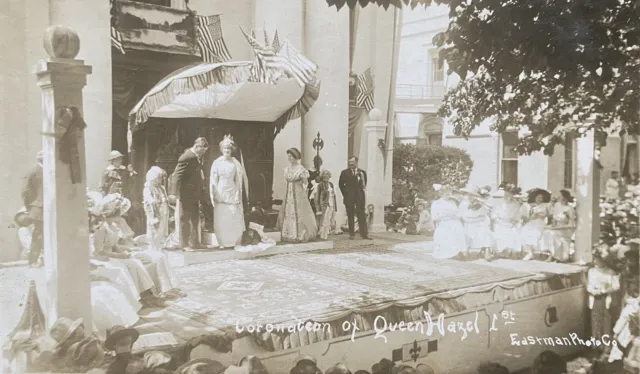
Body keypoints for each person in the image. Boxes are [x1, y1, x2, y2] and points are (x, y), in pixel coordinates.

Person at [170, 137, 209, 249]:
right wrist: (173, 193)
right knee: (185, 219)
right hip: (186, 194)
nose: (203, 153)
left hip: (194, 194)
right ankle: (184, 244)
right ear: (197, 147)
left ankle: (195, 243)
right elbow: (177, 175)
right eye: (202, 150)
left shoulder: (196, 157)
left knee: (195, 218)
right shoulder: (186, 157)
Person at [210, 135, 247, 248]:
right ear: (221, 150)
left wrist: (237, 194)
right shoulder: (217, 162)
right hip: (220, 191)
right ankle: (222, 242)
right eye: (225, 148)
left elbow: (238, 180)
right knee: (221, 217)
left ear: (232, 150)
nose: (227, 151)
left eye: (229, 149)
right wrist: (214, 193)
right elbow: (213, 180)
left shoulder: (235, 163)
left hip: (232, 191)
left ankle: (233, 241)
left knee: (232, 216)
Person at [277, 148, 318, 243]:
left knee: (299, 213)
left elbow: (305, 183)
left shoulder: (301, 169)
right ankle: (288, 233)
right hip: (289, 193)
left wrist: (304, 193)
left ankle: (300, 234)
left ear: (296, 157)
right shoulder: (286, 168)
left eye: (291, 156)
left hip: (299, 193)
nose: (289, 158)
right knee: (288, 211)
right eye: (288, 156)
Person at [338, 156, 372, 240]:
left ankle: (364, 234)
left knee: (362, 215)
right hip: (349, 197)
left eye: (352, 162)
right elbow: (341, 185)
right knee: (350, 215)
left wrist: (359, 193)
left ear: (356, 162)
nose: (351, 163)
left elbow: (364, 184)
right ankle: (351, 234)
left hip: (360, 197)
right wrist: (346, 194)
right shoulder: (344, 172)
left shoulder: (362, 172)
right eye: (349, 162)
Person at [430, 184, 466, 259]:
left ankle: (458, 251)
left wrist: (456, 215)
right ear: (441, 193)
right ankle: (450, 252)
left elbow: (459, 213)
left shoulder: (452, 202)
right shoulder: (436, 203)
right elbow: (434, 217)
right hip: (444, 223)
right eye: (446, 194)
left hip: (455, 221)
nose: (448, 195)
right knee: (447, 231)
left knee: (458, 229)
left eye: (449, 193)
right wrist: (446, 215)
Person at [540, 190, 576, 262]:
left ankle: (557, 257)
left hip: (565, 229)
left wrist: (558, 227)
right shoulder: (557, 205)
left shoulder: (570, 208)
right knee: (545, 231)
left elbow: (571, 224)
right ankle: (551, 254)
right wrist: (553, 225)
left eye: (561, 196)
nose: (559, 198)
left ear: (565, 198)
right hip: (557, 227)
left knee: (553, 234)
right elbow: (554, 218)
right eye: (559, 197)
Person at [21, 151, 44, 266]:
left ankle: (38, 260)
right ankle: (33, 261)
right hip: (38, 208)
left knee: (41, 233)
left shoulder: (42, 170)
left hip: (41, 208)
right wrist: (30, 206)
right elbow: (25, 192)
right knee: (38, 233)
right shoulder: (35, 171)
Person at [459, 189, 493, 260]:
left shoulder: (480, 204)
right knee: (463, 233)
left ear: (475, 196)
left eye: (472, 195)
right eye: (469, 194)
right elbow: (462, 216)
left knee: (486, 232)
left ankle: (487, 251)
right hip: (467, 224)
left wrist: (474, 218)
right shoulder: (463, 204)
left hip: (478, 223)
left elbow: (483, 216)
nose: (470, 196)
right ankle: (465, 251)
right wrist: (470, 219)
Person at [490, 184, 522, 258]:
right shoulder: (499, 202)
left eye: (511, 193)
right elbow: (494, 215)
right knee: (501, 233)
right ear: (505, 193)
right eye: (507, 193)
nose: (509, 195)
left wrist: (513, 222)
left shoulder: (516, 203)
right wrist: (502, 223)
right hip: (499, 223)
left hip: (510, 223)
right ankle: (501, 251)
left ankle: (510, 251)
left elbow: (517, 215)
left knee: (515, 233)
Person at [143, 166, 170, 251]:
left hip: (163, 211)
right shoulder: (148, 187)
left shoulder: (161, 187)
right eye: (159, 177)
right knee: (153, 228)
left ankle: (159, 244)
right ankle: (152, 246)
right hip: (154, 211)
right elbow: (148, 199)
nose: (160, 179)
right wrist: (153, 202)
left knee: (161, 229)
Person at [520, 189, 552, 260]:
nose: (540, 199)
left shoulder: (545, 205)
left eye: (541, 198)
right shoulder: (531, 205)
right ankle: (530, 252)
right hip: (532, 221)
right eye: (538, 197)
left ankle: (534, 252)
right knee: (525, 231)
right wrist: (533, 216)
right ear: (535, 198)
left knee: (536, 233)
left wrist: (544, 215)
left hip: (540, 222)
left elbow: (550, 215)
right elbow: (525, 216)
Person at [314, 169, 338, 240]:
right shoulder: (320, 185)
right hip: (324, 205)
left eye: (327, 174)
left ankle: (325, 236)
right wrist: (318, 209)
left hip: (331, 204)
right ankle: (321, 236)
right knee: (323, 221)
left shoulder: (331, 184)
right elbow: (317, 198)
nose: (326, 175)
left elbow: (334, 196)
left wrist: (335, 207)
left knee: (328, 220)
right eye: (324, 174)